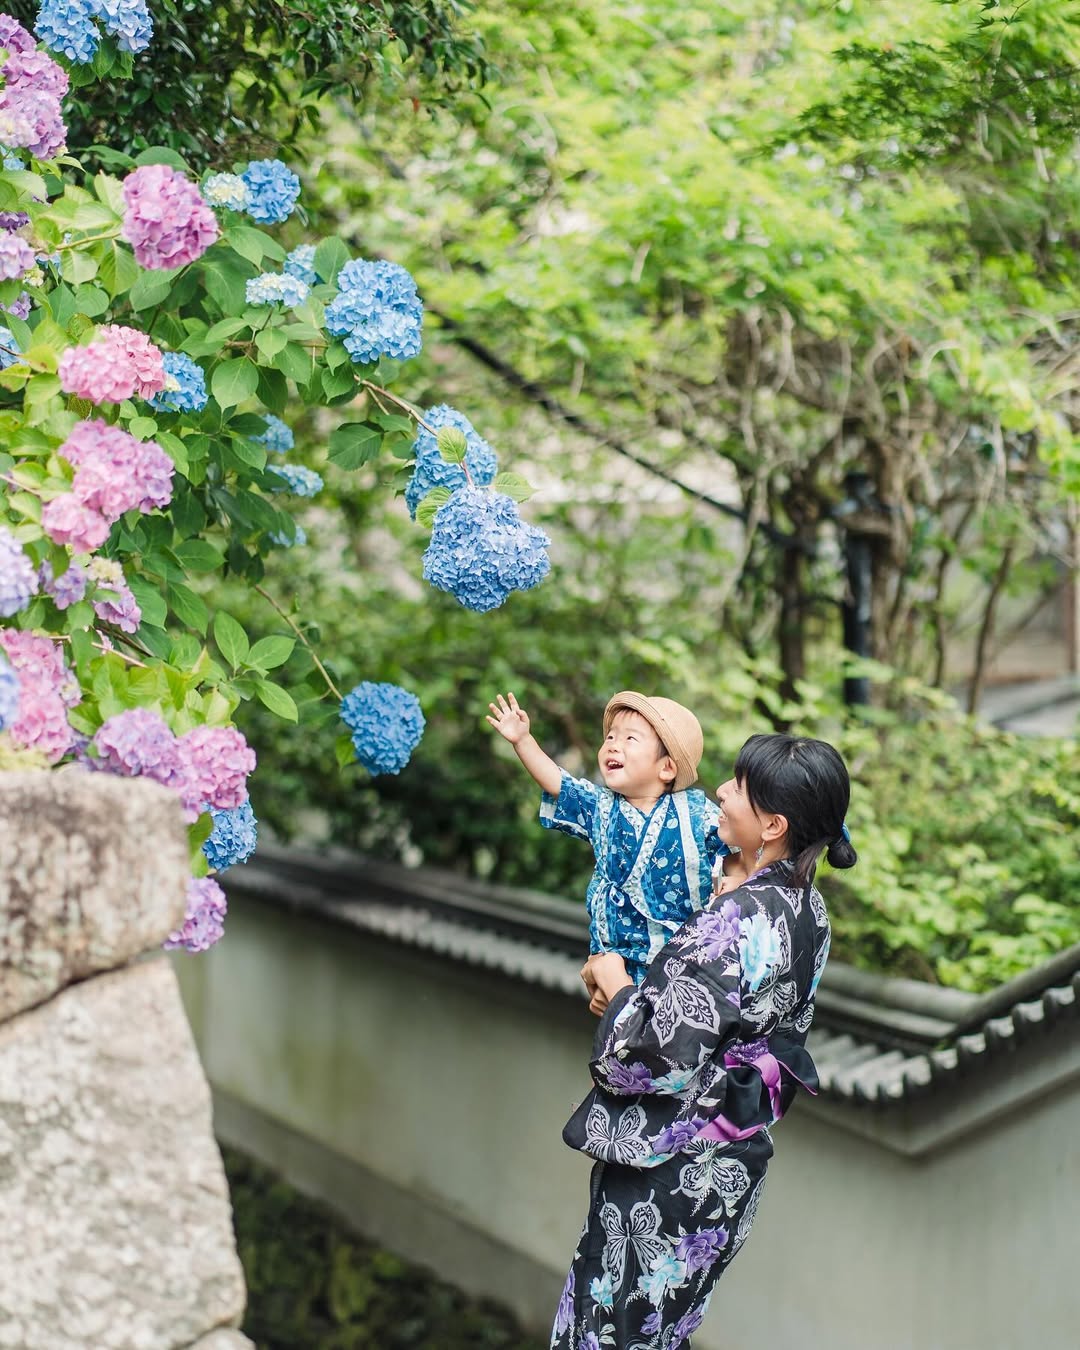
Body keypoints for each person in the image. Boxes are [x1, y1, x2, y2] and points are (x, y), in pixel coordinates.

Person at [550, 732, 856, 1350]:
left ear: (772, 825)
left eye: (738, 787)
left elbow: (651, 1059)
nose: (719, 789)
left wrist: (617, 988)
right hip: (729, 1163)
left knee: (613, 1332)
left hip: (671, 1161)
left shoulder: (737, 918)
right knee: (661, 1332)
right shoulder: (807, 911)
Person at [487, 689, 745, 985]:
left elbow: (737, 846)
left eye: (629, 739)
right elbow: (558, 782)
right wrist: (523, 740)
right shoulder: (601, 805)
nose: (613, 745)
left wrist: (738, 880)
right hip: (617, 962)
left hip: (683, 960)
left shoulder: (696, 812)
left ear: (667, 767)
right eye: (610, 737)